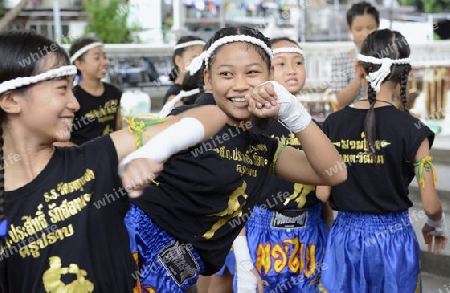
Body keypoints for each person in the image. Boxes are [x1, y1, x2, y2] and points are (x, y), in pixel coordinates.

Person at [123, 26, 346, 293]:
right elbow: (126, 148)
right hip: (131, 252)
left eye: (252, 72)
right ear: (208, 78)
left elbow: (334, 173)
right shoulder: (190, 120)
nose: (240, 84)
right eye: (226, 74)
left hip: (179, 272)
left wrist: (294, 113)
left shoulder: (262, 147)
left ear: (270, 76)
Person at [0, 30, 228, 292]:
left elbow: (212, 115)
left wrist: (151, 152)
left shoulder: (97, 159)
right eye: (62, 89)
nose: (74, 103)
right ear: (10, 100)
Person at [317, 29, 448, 292]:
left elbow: (322, 192)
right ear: (407, 74)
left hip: (345, 239)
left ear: (360, 68)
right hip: (394, 240)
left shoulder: (333, 123)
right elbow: (431, 203)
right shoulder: (414, 129)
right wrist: (436, 224)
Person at [232, 36, 334, 293]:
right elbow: (234, 195)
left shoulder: (314, 129)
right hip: (262, 234)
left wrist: (330, 235)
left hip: (310, 234)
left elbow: (324, 194)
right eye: (281, 63)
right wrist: (243, 256)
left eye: (298, 62)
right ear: (265, 72)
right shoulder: (250, 127)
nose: (292, 69)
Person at [68, 37, 123, 145]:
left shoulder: (114, 92)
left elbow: (118, 130)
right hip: (83, 157)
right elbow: (62, 140)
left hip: (110, 155)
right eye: (97, 58)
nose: (105, 62)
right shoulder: (72, 98)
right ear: (79, 64)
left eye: (105, 57)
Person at [329, 1, 379, 108]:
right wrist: (360, 74)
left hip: (384, 117)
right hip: (354, 120)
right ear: (350, 29)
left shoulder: (388, 56)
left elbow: (401, 97)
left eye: (370, 28)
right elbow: (341, 101)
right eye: (358, 29)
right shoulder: (341, 59)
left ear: (378, 26)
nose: (365, 34)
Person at [162, 36, 205, 105]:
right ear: (178, 61)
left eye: (203, 59)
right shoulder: (174, 97)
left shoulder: (203, 89)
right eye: (195, 58)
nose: (201, 63)